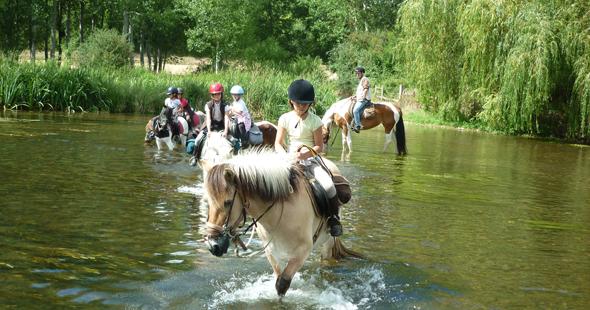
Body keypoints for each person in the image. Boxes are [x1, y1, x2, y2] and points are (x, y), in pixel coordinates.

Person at [274, 79, 343, 236]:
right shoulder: (284, 118)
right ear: (291, 101)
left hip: (310, 158)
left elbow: (319, 146)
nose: (301, 107)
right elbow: (278, 143)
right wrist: (285, 156)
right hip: (288, 157)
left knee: (328, 186)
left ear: (310, 104)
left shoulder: (315, 121)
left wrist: (304, 154)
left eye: (305, 104)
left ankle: (333, 218)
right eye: (298, 104)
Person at [351, 66, 371, 133]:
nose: (357, 75)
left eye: (358, 73)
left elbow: (365, 89)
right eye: (356, 73)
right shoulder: (361, 80)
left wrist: (362, 97)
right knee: (355, 110)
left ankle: (358, 126)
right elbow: (360, 91)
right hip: (361, 99)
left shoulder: (365, 79)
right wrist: (355, 96)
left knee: (355, 110)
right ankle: (354, 123)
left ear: (362, 73)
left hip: (364, 100)